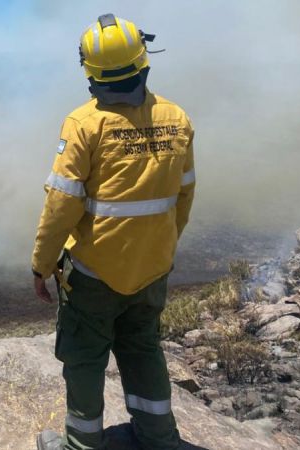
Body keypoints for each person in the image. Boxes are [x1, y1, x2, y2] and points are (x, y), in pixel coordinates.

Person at [32, 13, 195, 450]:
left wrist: (41, 265)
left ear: (91, 72)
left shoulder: (84, 125)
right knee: (143, 350)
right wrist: (157, 251)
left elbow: (61, 205)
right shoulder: (176, 119)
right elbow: (183, 198)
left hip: (94, 275)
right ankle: (159, 438)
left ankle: (81, 445)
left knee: (84, 358)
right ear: (143, 61)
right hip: (152, 271)